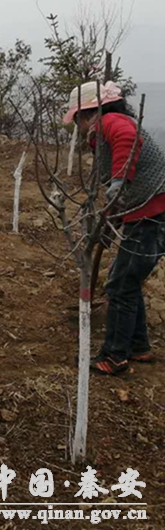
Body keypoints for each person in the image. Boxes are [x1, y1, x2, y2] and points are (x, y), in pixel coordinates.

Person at [64, 81, 165, 375]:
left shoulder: (110, 121)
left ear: (88, 113)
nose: (78, 126)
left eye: (78, 118)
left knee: (120, 286)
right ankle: (138, 346)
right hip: (146, 213)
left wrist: (119, 181)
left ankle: (114, 357)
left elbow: (127, 139)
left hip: (153, 217)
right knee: (127, 281)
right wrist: (111, 222)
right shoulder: (106, 126)